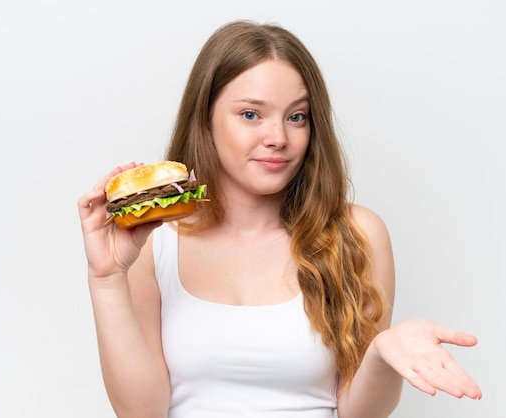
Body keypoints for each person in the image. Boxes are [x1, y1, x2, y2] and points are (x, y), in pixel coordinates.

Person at [78, 20, 482, 418]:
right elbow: (141, 414)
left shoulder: (357, 233)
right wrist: (106, 278)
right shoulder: (155, 242)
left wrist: (381, 354)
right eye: (251, 115)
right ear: (205, 119)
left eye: (296, 116)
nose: (278, 137)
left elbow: (360, 414)